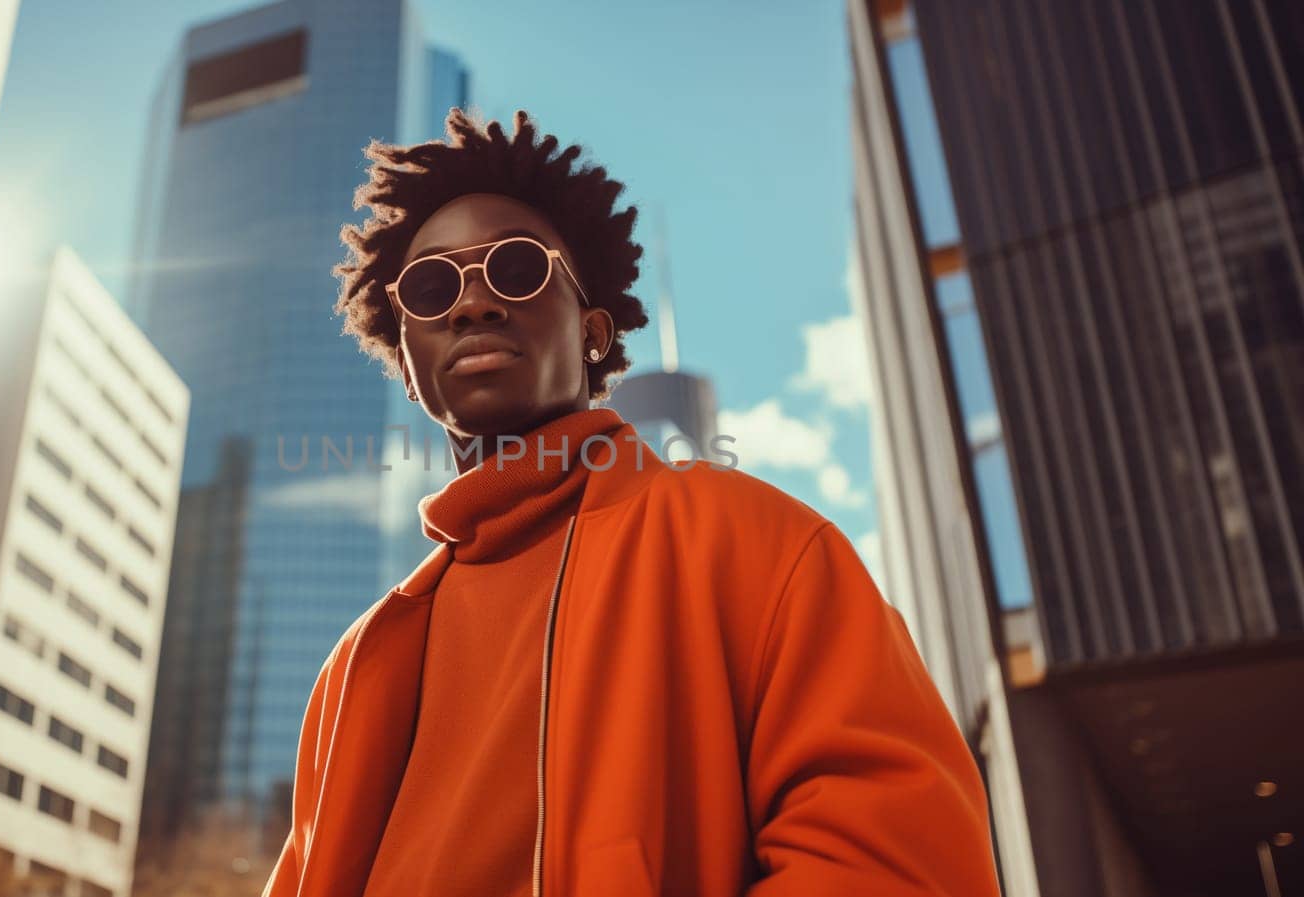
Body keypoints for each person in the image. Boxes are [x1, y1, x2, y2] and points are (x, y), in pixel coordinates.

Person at [263, 108, 1001, 897]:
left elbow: (898, 862)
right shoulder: (353, 669)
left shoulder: (756, 542)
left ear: (592, 330)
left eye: (516, 269)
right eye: (434, 285)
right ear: (407, 364)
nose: (472, 303)